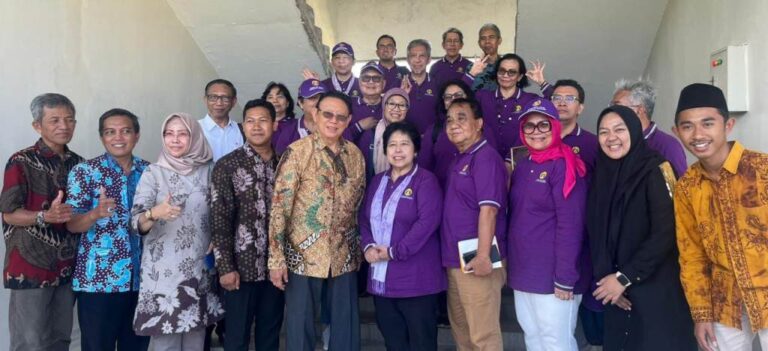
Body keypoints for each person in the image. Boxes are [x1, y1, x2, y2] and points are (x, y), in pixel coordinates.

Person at [588, 105, 697, 350]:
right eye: (603, 132)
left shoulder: (656, 169)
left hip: (654, 287)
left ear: (635, 131)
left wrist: (625, 277)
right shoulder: (602, 174)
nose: (611, 137)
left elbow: (666, 232)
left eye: (619, 129)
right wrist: (608, 280)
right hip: (617, 293)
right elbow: (595, 232)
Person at [673, 83, 768, 351]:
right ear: (676, 132)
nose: (698, 134)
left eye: (707, 123)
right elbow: (691, 254)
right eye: (687, 126)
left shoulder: (762, 170)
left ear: (728, 126)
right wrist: (701, 314)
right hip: (724, 302)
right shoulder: (687, 186)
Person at [268, 91, 366, 351]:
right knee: (300, 328)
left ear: (348, 121)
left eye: (340, 117)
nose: (333, 121)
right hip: (302, 255)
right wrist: (276, 259)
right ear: (315, 114)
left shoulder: (355, 155)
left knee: (345, 328)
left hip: (343, 254)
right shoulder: (297, 152)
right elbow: (280, 207)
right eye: (327, 114)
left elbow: (358, 204)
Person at [130, 112, 224, 350]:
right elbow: (135, 222)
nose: (175, 140)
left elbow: (220, 209)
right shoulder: (154, 173)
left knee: (195, 336)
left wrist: (217, 234)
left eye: (182, 134)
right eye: (169, 133)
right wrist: (154, 214)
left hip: (198, 267)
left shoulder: (209, 171)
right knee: (165, 338)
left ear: (194, 137)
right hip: (163, 272)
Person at [1, 93, 84, 351]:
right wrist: (43, 216)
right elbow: (8, 213)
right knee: (30, 342)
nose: (64, 126)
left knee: (60, 339)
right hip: (29, 269)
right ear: (37, 125)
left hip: (67, 267)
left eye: (69, 120)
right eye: (55, 120)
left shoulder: (79, 164)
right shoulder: (20, 161)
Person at [66, 108, 150, 351]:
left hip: (141, 280)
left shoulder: (150, 172)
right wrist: (95, 213)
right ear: (102, 137)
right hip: (98, 282)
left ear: (137, 135)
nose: (118, 138)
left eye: (125, 131)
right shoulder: (85, 172)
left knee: (135, 346)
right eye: (110, 132)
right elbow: (72, 225)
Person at [507, 98, 587, 350]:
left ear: (554, 126)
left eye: (543, 125)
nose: (536, 132)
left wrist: (565, 277)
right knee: (532, 337)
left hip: (552, 275)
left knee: (556, 342)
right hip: (523, 270)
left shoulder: (565, 165)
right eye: (529, 126)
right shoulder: (523, 165)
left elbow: (571, 224)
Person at [359, 122, 444, 351]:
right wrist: (367, 246)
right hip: (382, 282)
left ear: (415, 150)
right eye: (392, 145)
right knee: (393, 341)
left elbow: (427, 222)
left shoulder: (426, 180)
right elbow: (364, 219)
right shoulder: (377, 181)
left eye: (404, 144)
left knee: (421, 342)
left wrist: (395, 251)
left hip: (417, 280)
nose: (397, 150)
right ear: (385, 150)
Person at [211, 99, 284, 351]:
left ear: (275, 124)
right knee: (236, 337)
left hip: (275, 269)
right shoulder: (227, 165)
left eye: (263, 120)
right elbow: (219, 219)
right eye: (250, 121)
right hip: (239, 270)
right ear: (243, 126)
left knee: (269, 335)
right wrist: (225, 268)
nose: (256, 126)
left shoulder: (285, 165)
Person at [441, 98, 507, 350]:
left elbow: (488, 210)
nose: (453, 124)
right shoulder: (459, 158)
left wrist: (482, 255)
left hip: (478, 258)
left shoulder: (485, 157)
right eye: (449, 120)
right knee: (463, 333)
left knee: (483, 337)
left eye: (461, 118)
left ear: (478, 123)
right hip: (455, 259)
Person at [475, 53, 552, 167]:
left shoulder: (530, 100)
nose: (506, 75)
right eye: (502, 71)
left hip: (519, 164)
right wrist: (471, 74)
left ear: (520, 77)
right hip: (487, 162)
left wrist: (542, 83)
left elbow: (555, 105)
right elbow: (456, 99)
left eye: (512, 72)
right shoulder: (483, 97)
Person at [611, 78, 687, 176]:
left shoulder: (668, 146)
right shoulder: (615, 141)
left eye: (617, 106)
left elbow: (679, 188)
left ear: (639, 110)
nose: (612, 111)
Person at [355, 88, 410, 181]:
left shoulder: (412, 136)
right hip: (373, 188)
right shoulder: (369, 135)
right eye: (391, 104)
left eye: (402, 105)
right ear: (384, 107)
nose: (396, 109)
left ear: (407, 109)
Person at [552, 79, 599, 173]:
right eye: (557, 98)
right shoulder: (536, 138)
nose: (562, 103)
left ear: (580, 108)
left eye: (569, 99)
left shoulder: (594, 143)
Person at [272, 78, 327, 154]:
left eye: (322, 98)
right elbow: (282, 162)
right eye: (313, 98)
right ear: (301, 103)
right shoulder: (289, 132)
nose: (318, 102)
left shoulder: (336, 128)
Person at [199, 79, 243, 162]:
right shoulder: (194, 129)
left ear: (234, 102)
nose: (219, 103)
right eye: (213, 97)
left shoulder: (242, 131)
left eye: (225, 98)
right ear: (205, 100)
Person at [401, 39, 439, 134]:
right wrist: (402, 95)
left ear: (429, 59)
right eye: (413, 56)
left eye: (422, 56)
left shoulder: (438, 84)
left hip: (431, 141)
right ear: (408, 60)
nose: (417, 60)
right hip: (405, 140)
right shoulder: (398, 84)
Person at [345, 61, 386, 140]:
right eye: (366, 78)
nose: (371, 82)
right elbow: (337, 137)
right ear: (359, 82)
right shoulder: (348, 106)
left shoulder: (391, 106)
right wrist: (359, 127)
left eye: (376, 78)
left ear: (383, 83)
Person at [464, 23, 503, 91]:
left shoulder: (506, 66)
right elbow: (462, 92)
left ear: (499, 40)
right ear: (479, 43)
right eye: (483, 38)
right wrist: (471, 74)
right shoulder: (471, 68)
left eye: (491, 37)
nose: (487, 41)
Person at [262, 82, 296, 152]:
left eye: (280, 97)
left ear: (287, 103)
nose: (275, 101)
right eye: (270, 97)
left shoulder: (297, 125)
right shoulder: (259, 126)